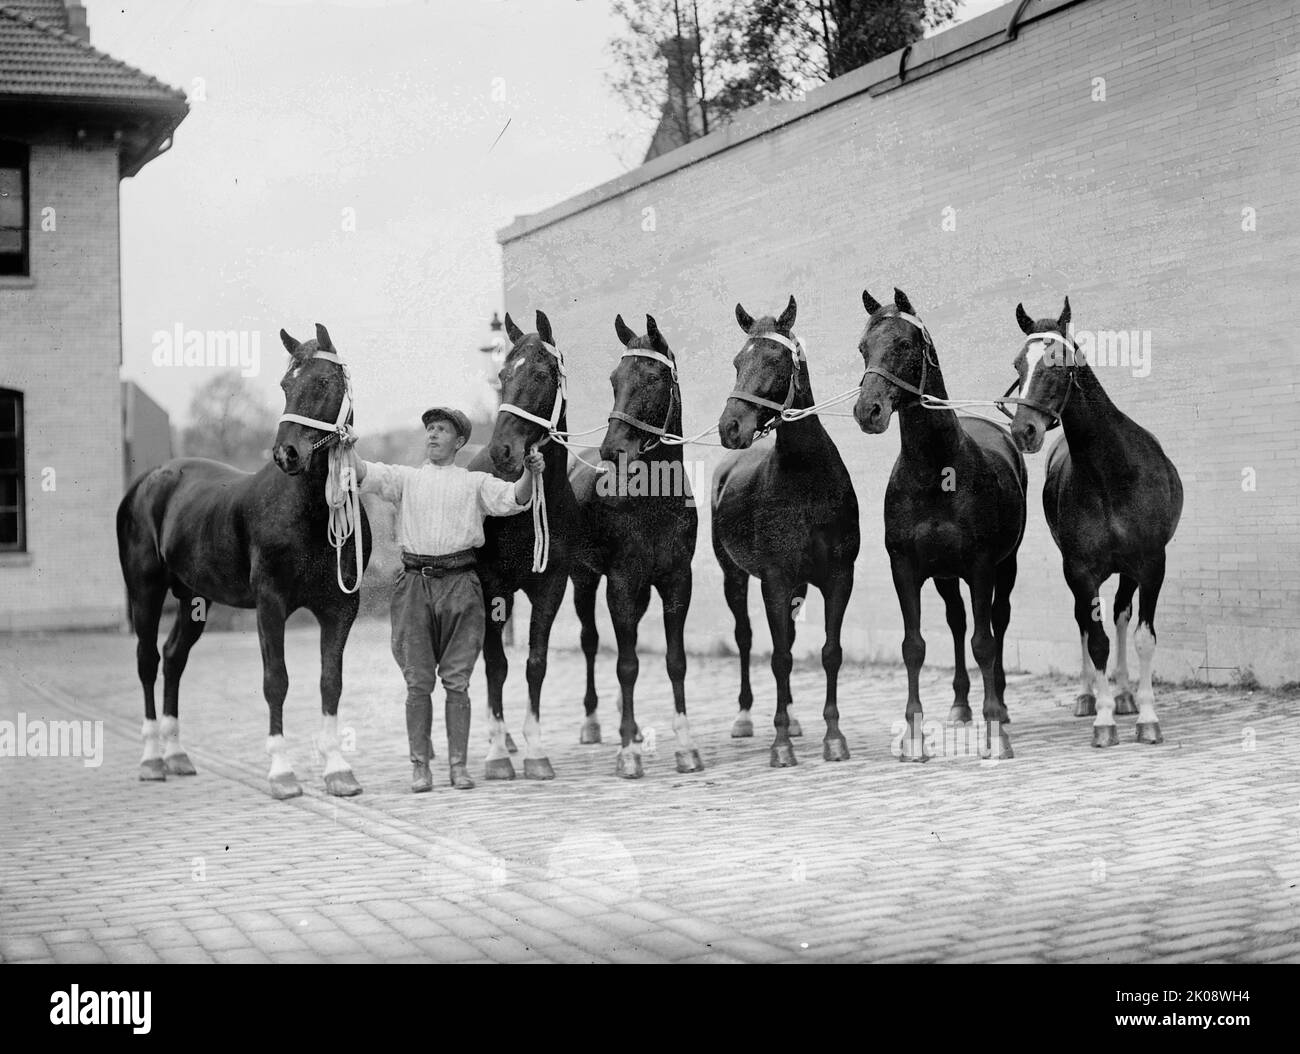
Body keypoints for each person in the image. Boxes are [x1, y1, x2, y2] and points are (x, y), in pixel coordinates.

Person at [356, 407, 541, 791]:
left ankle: (458, 766)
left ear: (458, 442)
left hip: (461, 585)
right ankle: (420, 767)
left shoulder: (475, 483)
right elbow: (367, 474)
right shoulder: (406, 479)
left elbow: (515, 499)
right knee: (418, 683)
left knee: (457, 682)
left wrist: (530, 473)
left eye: (441, 430)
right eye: (429, 429)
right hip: (414, 585)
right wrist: (345, 450)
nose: (433, 435)